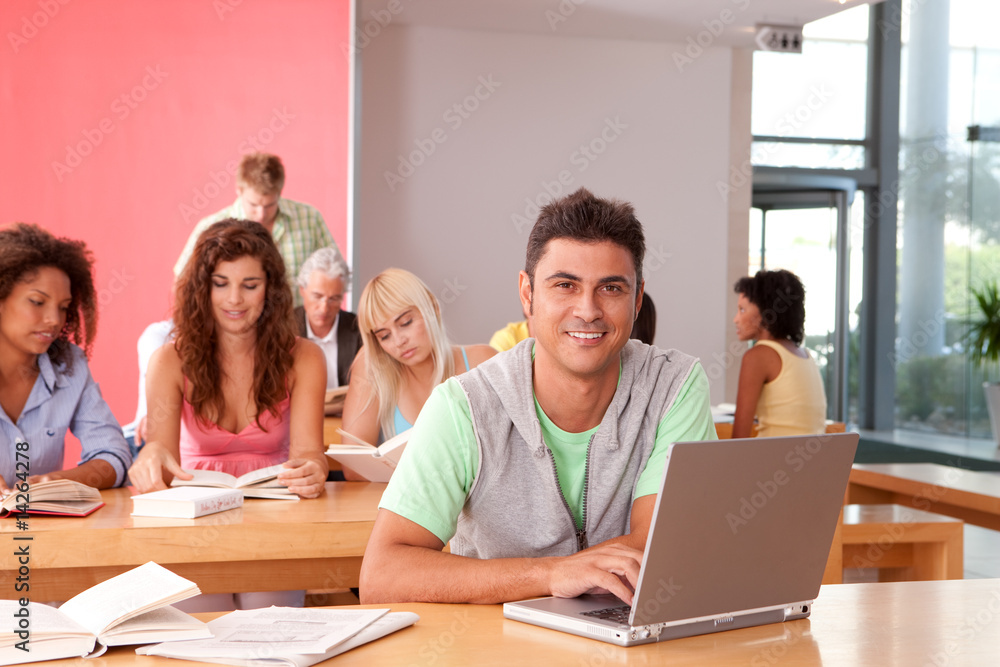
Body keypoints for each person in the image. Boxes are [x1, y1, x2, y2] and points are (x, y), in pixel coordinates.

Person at [359, 188, 715, 604]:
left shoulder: (675, 386)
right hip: (497, 637)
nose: (588, 310)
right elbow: (382, 575)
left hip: (629, 635)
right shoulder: (463, 406)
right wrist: (553, 574)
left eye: (610, 288)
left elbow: (658, 545)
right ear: (527, 294)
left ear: (637, 299)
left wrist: (565, 571)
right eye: (565, 285)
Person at [129, 220, 328, 608]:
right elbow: (160, 451)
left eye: (249, 285)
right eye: (221, 283)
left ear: (270, 289)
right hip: (194, 518)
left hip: (275, 515)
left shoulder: (305, 357)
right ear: (202, 288)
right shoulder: (168, 361)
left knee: (270, 627)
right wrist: (150, 457)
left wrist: (314, 469)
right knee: (204, 628)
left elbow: (309, 453)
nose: (234, 299)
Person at [0, 223, 132, 492]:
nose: (54, 320)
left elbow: (113, 455)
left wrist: (56, 482)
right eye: (37, 302)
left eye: (63, 307)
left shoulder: (69, 365)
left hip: (38, 520)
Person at [340, 268, 495, 457]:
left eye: (406, 323)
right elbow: (354, 462)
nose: (399, 341)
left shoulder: (482, 361)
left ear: (434, 308)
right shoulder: (373, 365)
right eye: (384, 336)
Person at [173, 152, 341, 307]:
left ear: (279, 192)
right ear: (239, 190)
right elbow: (182, 283)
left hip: (295, 326)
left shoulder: (309, 218)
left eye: (269, 205)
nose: (261, 214)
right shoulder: (211, 227)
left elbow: (336, 272)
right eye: (253, 205)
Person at [731, 269, 826, 439]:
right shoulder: (805, 355)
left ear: (765, 312)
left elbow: (738, 439)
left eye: (742, 310)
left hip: (772, 456)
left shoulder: (758, 356)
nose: (736, 319)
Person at [294, 247, 362, 389]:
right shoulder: (283, 328)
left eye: (334, 299)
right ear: (302, 290)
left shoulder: (359, 330)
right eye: (317, 296)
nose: (324, 308)